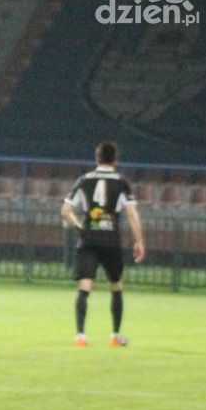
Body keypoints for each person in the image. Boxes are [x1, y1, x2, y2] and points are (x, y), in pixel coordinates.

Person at [60, 141, 145, 347]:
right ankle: (115, 336)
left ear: (97, 158)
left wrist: (80, 228)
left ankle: (80, 336)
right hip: (111, 241)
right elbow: (132, 213)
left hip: (88, 239)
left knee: (85, 285)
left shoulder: (84, 180)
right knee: (116, 284)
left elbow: (65, 211)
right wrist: (139, 241)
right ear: (115, 159)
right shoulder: (122, 182)